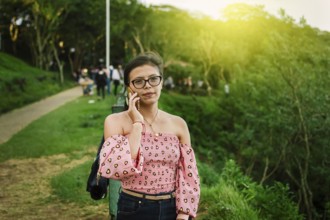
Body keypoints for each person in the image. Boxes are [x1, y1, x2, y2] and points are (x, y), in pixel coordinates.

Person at [98, 52, 200, 220]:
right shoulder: (115, 122)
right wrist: (137, 123)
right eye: (138, 81)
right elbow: (119, 167)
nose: (147, 86)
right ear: (129, 87)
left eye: (153, 79)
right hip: (134, 207)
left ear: (161, 82)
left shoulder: (178, 124)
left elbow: (188, 174)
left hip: (172, 208)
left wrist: (184, 213)